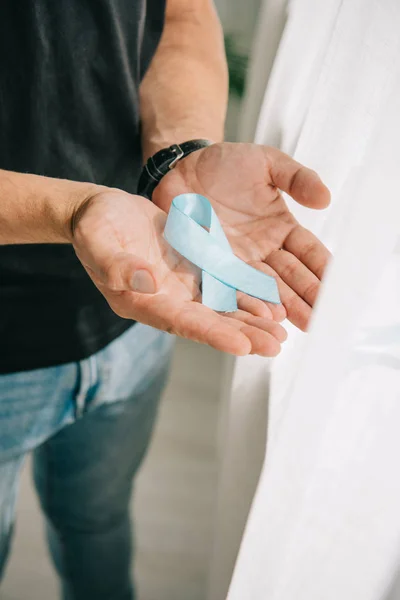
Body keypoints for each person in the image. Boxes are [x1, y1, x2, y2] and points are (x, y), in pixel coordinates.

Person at [0, 0, 330, 598]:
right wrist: (68, 209)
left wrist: (177, 156)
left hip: (143, 309)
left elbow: (180, 16)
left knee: (98, 522)